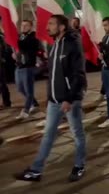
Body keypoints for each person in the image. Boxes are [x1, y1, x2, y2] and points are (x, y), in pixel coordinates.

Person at [15, 15, 87, 182]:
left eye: (51, 24)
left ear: (62, 27)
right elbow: (54, 73)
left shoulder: (72, 44)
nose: (47, 27)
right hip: (54, 101)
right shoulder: (55, 45)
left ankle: (79, 165)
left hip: (70, 100)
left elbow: (79, 75)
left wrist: (69, 99)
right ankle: (36, 170)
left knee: (77, 133)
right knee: (48, 134)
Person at [14, 20, 41, 119]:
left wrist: (15, 43)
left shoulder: (33, 37)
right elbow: (19, 47)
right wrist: (16, 54)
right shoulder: (21, 36)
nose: (23, 27)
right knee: (20, 88)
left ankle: (25, 110)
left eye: (26, 25)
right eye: (22, 25)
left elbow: (23, 46)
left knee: (29, 90)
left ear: (31, 27)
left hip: (28, 67)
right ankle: (34, 103)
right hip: (19, 66)